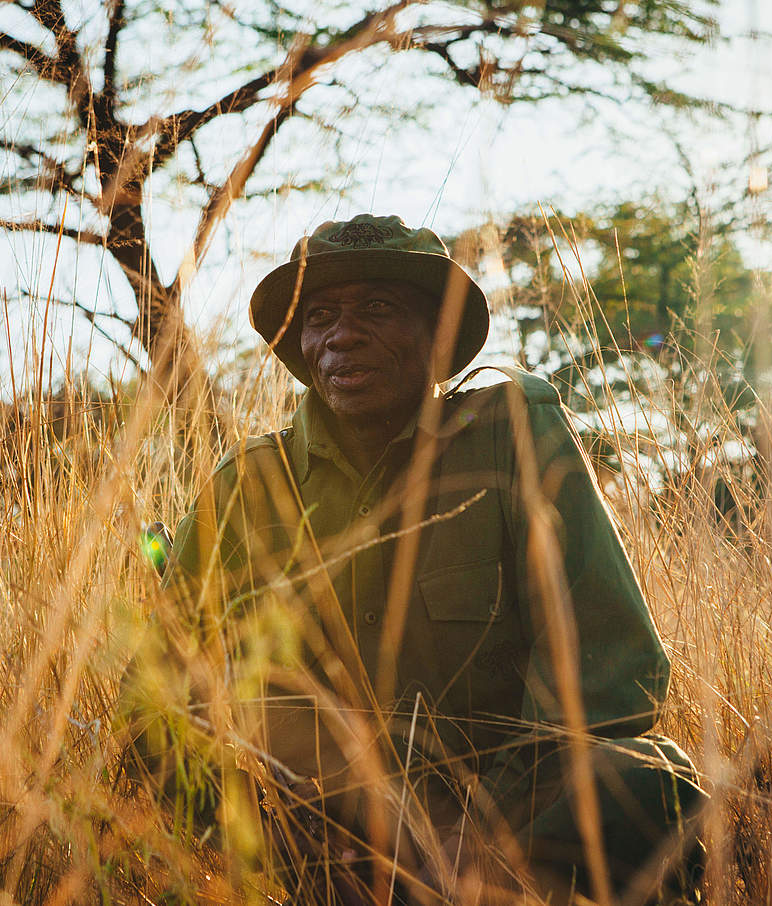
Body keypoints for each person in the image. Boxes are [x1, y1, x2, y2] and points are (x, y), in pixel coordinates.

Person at [124, 214, 704, 904]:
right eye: (321, 316)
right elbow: (154, 697)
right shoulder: (248, 483)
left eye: (377, 309)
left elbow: (613, 671)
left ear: (437, 334)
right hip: (321, 827)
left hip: (507, 809)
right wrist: (289, 820)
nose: (342, 335)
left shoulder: (514, 433)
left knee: (645, 782)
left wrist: (476, 834)